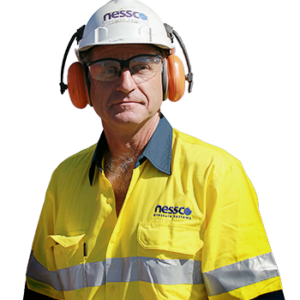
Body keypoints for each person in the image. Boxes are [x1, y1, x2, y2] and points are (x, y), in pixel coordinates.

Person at [24, 0, 285, 299]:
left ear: (169, 76)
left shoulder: (215, 174)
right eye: (107, 68)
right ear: (81, 84)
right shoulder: (64, 180)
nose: (125, 83)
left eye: (141, 66)